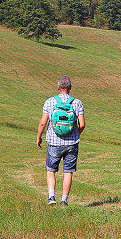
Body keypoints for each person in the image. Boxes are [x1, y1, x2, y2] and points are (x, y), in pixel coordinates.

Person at [36, 75, 86, 206]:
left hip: (54, 142)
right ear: (70, 88)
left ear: (58, 87)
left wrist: (39, 137)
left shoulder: (50, 102)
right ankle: (64, 200)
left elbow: (42, 123)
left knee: (51, 170)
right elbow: (82, 124)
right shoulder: (77, 103)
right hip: (71, 144)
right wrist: (75, 133)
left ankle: (51, 197)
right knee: (68, 171)